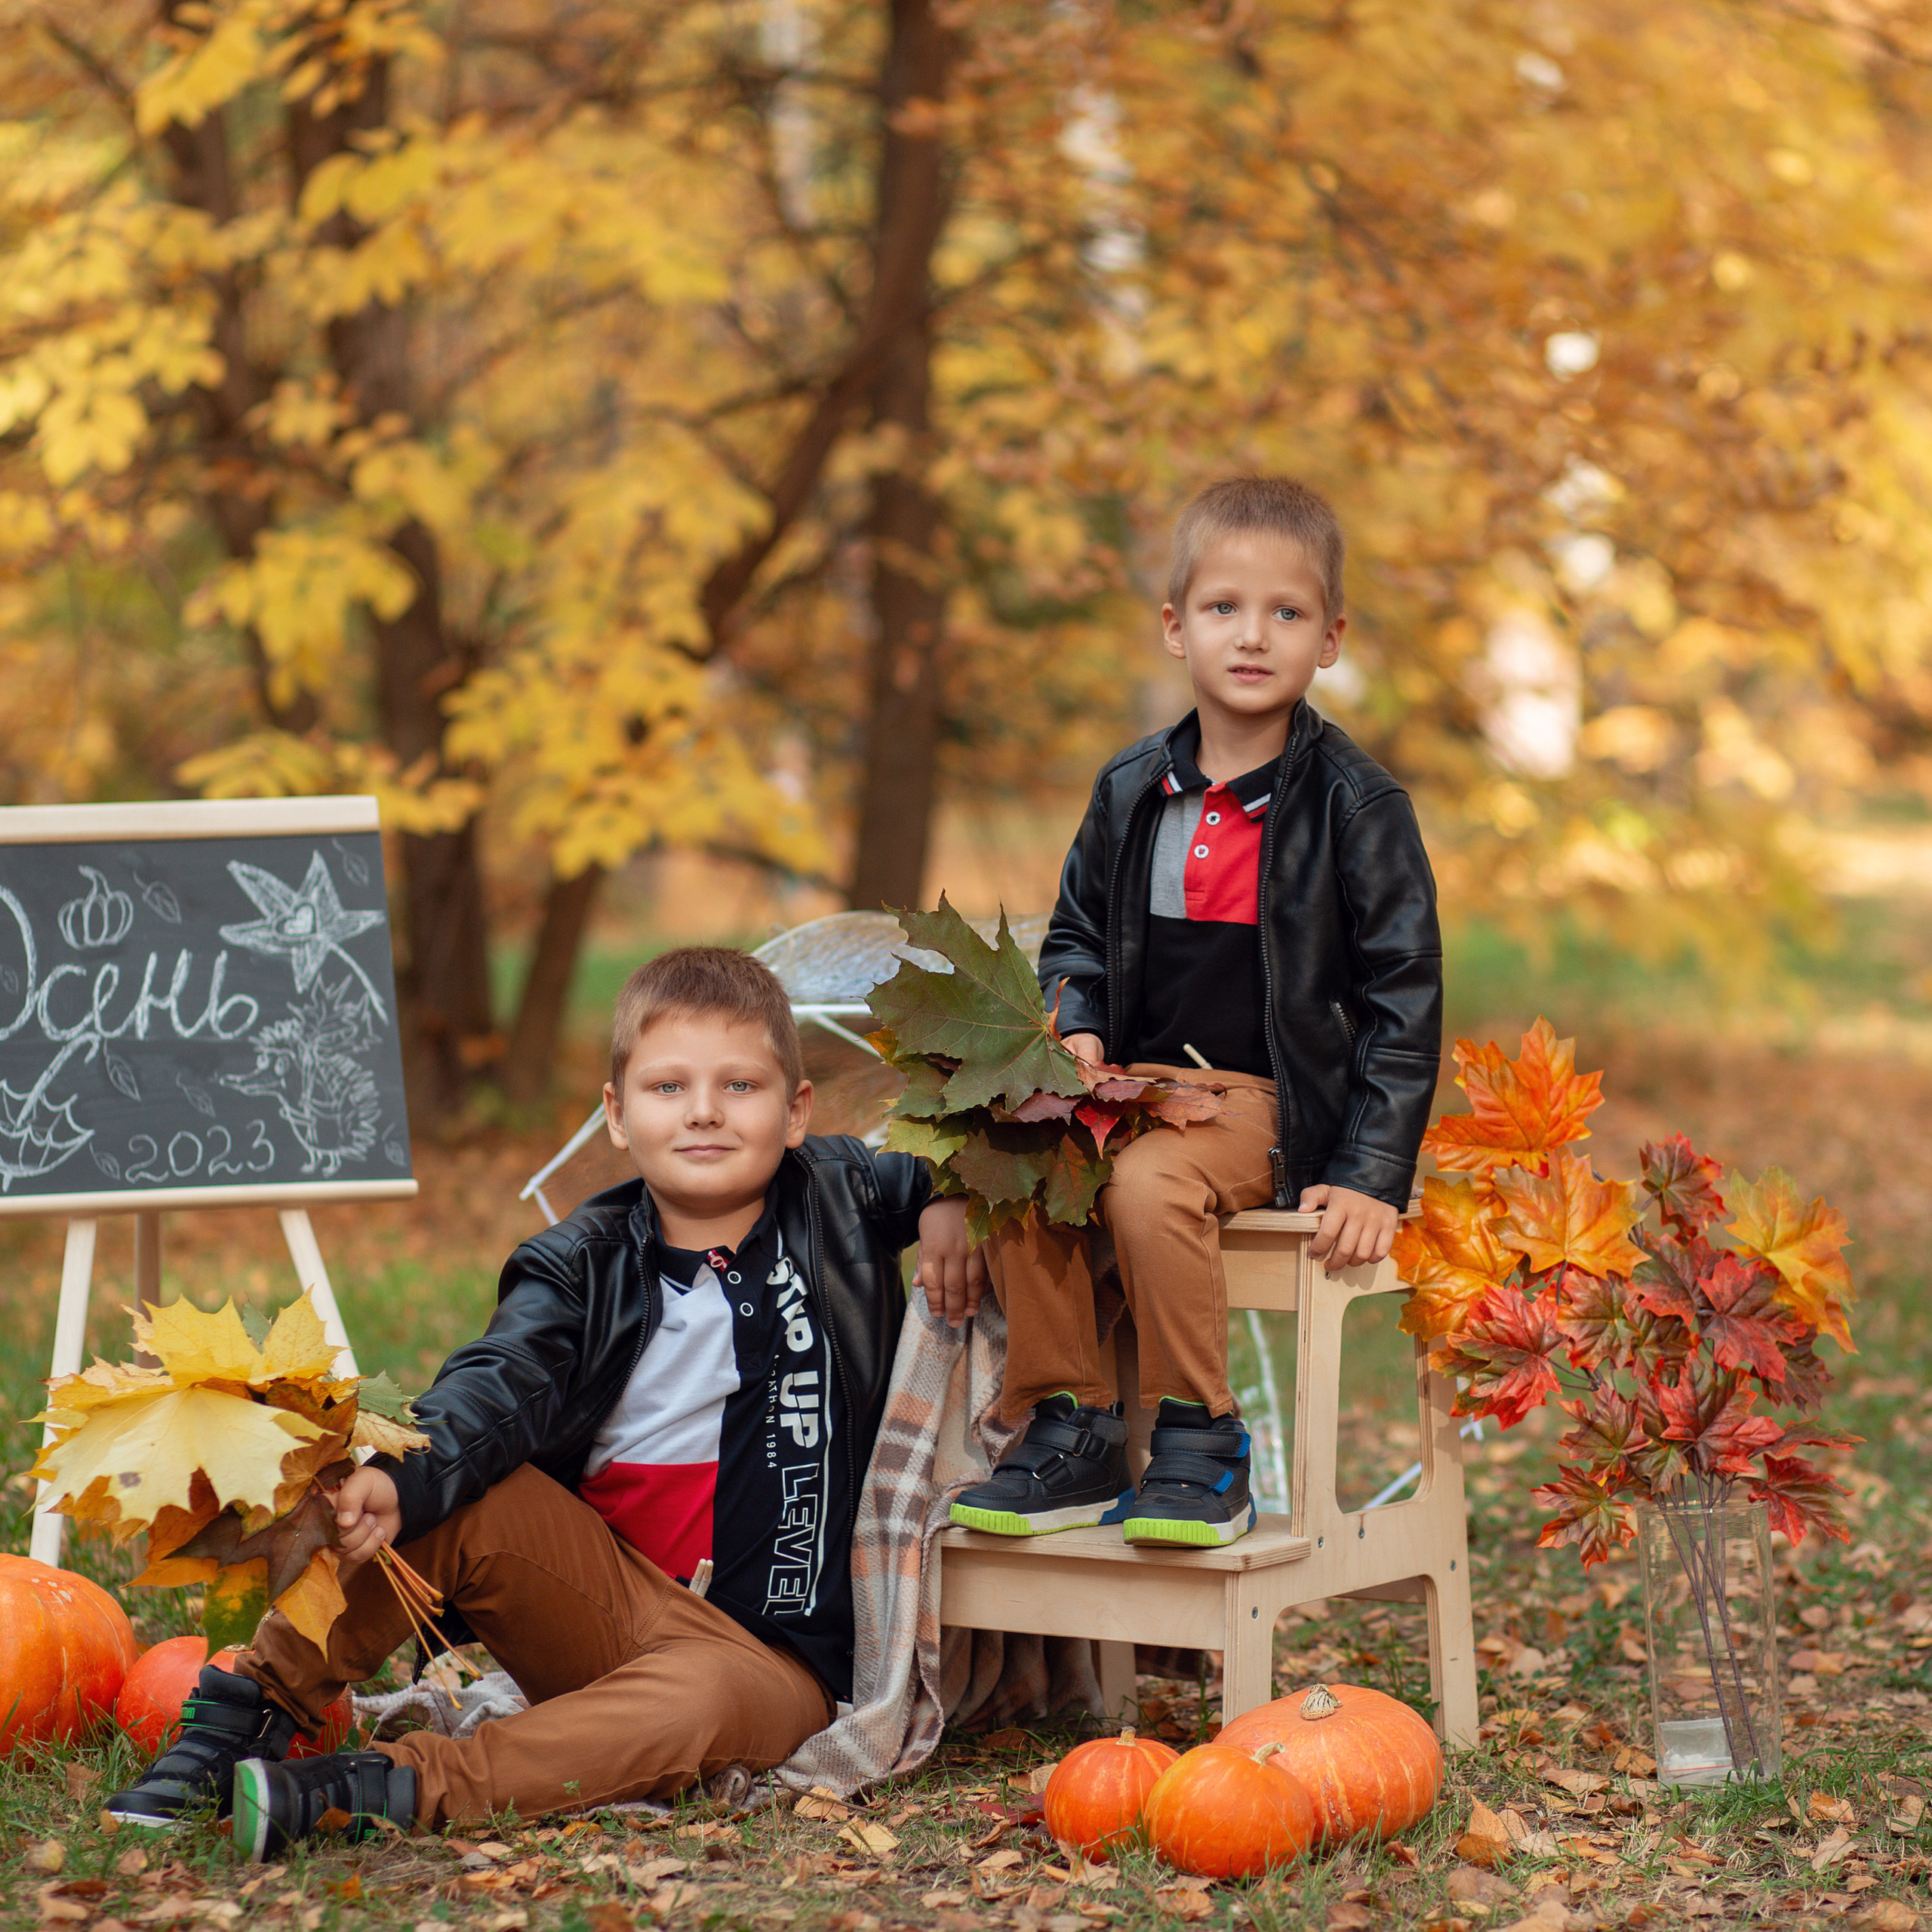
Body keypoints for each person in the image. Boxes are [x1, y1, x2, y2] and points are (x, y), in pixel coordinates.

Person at [106, 947, 976, 1854]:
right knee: (438, 1482)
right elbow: (497, 1382)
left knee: (704, 1700)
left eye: (740, 1085)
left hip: (771, 1659)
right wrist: (403, 1483)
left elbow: (974, 1150)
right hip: (604, 1606)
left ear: (795, 1111)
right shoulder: (579, 1262)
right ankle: (253, 1708)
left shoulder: (842, 1193)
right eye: (668, 1086)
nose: (704, 1110)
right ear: (617, 1113)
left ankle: (378, 1787)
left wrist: (946, 1198)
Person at [946, 475, 1441, 1549]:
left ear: (1330, 639)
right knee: (1021, 1161)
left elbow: (1402, 996)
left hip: (1269, 1103)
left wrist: (1371, 1169)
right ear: (1176, 628)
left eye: (1286, 611)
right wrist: (1078, 1018)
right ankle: (1070, 1424)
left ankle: (1200, 1438)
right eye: (1224, 607)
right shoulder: (1131, 790)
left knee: (1148, 1184)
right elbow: (1076, 935)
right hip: (1131, 1087)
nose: (1252, 635)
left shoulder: (1356, 806)